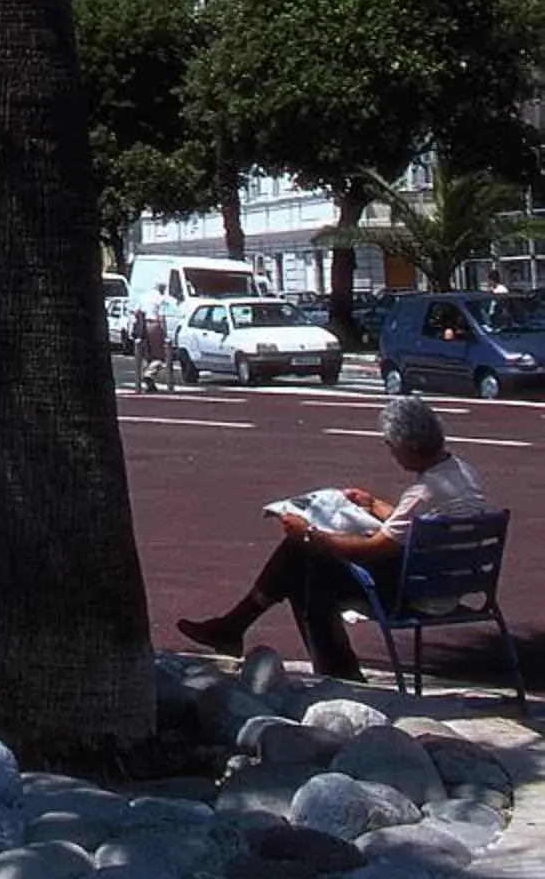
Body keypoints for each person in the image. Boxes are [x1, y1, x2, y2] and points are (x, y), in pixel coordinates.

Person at [180, 395, 489, 680]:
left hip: (418, 593)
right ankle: (242, 629)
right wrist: (372, 504)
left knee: (308, 564)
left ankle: (251, 633)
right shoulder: (460, 472)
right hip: (447, 583)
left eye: (391, 446)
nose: (391, 453)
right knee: (302, 562)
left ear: (410, 447)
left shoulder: (423, 491)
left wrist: (313, 534)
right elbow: (418, 523)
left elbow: (376, 548)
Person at [136, 288, 176, 395]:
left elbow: (137, 312)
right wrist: (165, 334)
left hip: (144, 326)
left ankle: (149, 385)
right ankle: (148, 375)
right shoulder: (159, 299)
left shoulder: (144, 296)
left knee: (147, 355)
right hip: (154, 325)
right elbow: (161, 318)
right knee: (161, 356)